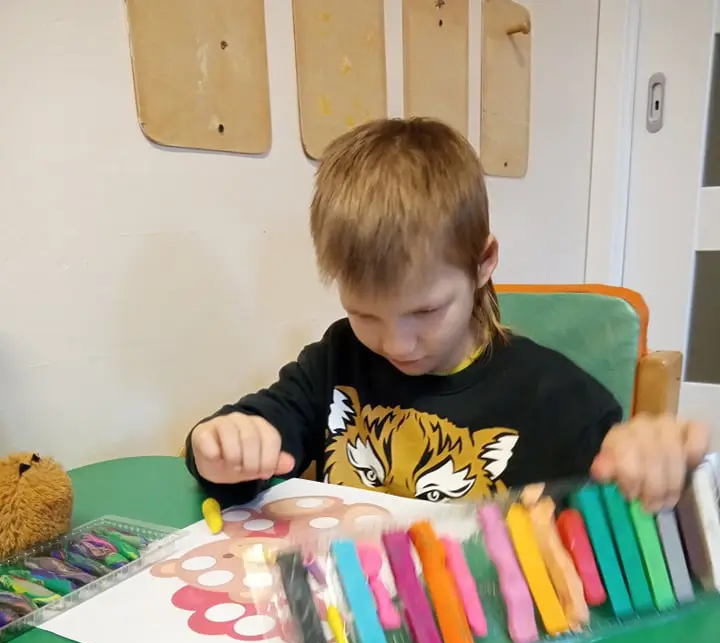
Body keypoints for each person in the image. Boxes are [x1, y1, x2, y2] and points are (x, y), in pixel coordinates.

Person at [186, 118, 708, 513]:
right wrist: (223, 446)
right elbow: (248, 436)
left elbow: (631, 508)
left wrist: (648, 465)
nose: (396, 345)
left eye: (426, 311)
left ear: (483, 262)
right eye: (364, 314)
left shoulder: (554, 398)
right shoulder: (336, 358)